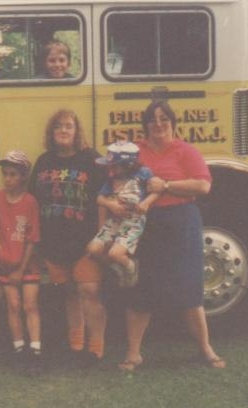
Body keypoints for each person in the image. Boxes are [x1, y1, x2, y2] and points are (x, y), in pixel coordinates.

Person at [121, 100, 225, 372]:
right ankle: (133, 354)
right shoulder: (135, 152)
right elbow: (118, 178)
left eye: (164, 118)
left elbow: (203, 185)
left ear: (173, 123)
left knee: (189, 288)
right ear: (145, 125)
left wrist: (165, 185)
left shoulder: (185, 151)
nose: (159, 123)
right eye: (153, 119)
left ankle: (205, 349)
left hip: (181, 221)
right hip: (145, 223)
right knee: (141, 289)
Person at [29, 109, 107, 366]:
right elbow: (33, 201)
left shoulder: (91, 159)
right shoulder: (43, 162)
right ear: (51, 133)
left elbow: (104, 199)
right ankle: (76, 345)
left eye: (69, 126)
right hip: (54, 242)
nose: (63, 131)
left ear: (77, 132)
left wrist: (102, 235)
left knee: (89, 290)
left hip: (85, 241)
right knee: (69, 291)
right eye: (58, 127)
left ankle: (96, 347)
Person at [0, 150, 42, 363]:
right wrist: (0, 251)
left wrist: (21, 269)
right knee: (12, 304)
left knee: (30, 304)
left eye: (13, 174)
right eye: (5, 174)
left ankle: (36, 350)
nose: (8, 179)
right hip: (5, 263)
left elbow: (32, 238)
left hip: (26, 264)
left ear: (23, 177)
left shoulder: (30, 202)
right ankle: (19, 349)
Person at [89, 141, 161, 287]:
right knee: (92, 250)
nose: (110, 169)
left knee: (114, 254)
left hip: (132, 221)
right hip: (114, 220)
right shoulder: (112, 178)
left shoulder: (143, 174)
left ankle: (130, 266)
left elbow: (157, 191)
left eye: (114, 166)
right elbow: (99, 198)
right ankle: (116, 267)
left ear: (128, 164)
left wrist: (146, 203)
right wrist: (111, 204)